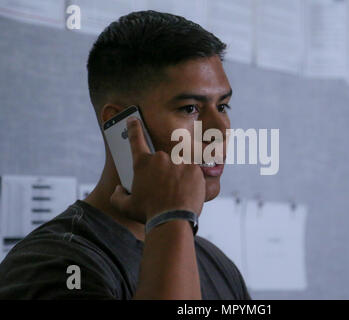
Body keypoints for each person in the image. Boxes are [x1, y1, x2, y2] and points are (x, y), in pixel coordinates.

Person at [0, 10, 251, 300]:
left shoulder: (216, 265)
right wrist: (172, 215)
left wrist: (172, 222)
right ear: (121, 125)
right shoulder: (56, 266)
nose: (220, 131)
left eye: (223, 107)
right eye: (190, 109)